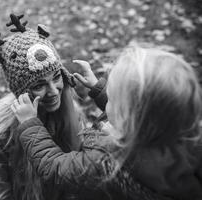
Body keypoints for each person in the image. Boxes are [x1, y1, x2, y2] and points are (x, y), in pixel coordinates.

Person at [11, 46, 202, 200]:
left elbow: (54, 168)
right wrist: (98, 90)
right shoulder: (188, 144)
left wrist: (30, 124)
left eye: (111, 97)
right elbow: (131, 118)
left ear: (126, 118)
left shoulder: (103, 164)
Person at [0, 14, 84, 200]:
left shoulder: (69, 110)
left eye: (56, 77)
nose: (54, 92)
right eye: (39, 85)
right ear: (19, 91)